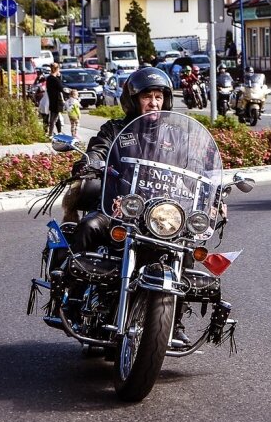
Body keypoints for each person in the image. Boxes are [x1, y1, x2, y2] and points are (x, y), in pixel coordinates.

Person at [61, 66, 191, 344]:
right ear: (133, 100)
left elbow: (193, 171)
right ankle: (72, 296)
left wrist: (214, 197)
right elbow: (99, 149)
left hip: (159, 216)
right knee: (88, 226)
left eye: (159, 96)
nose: (153, 102)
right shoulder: (116, 129)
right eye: (147, 97)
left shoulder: (177, 135)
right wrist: (90, 162)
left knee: (186, 246)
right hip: (119, 209)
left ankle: (174, 319)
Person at [46, 62, 66, 136]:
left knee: (55, 117)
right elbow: (61, 88)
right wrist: (59, 77)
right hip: (57, 100)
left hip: (51, 99)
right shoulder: (55, 79)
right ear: (57, 69)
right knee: (54, 118)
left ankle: (58, 132)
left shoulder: (49, 78)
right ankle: (50, 133)